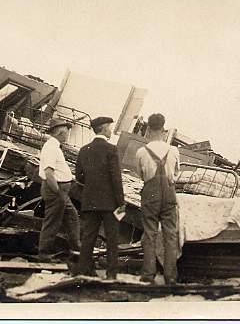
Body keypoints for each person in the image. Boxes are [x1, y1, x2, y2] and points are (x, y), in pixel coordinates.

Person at [75, 117, 125, 279]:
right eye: (109, 128)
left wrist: (92, 185)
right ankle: (111, 274)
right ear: (103, 129)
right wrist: (121, 202)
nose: (111, 131)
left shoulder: (84, 150)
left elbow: (79, 176)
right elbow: (116, 178)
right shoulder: (111, 149)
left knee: (88, 236)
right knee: (112, 238)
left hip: (89, 200)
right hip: (110, 202)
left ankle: (83, 270)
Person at [135, 113, 180, 284]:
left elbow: (140, 175)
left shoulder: (141, 152)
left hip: (150, 194)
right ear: (163, 129)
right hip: (169, 193)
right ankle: (171, 276)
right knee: (170, 234)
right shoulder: (173, 150)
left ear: (148, 128)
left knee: (149, 233)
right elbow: (175, 174)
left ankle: (148, 274)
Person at [38, 118, 81, 261]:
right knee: (52, 222)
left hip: (60, 191)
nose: (67, 135)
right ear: (61, 133)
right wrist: (58, 193)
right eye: (67, 132)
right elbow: (49, 173)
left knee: (72, 217)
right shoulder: (51, 147)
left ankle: (77, 249)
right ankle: (44, 254)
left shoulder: (54, 146)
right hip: (56, 190)